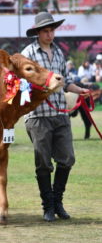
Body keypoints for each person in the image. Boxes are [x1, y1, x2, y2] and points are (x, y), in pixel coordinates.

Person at [21, 12, 90, 222]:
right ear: (38, 32)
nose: (50, 34)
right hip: (38, 116)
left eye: (52, 30)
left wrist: (79, 90)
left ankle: (57, 201)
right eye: (46, 31)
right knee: (43, 163)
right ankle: (48, 206)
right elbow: (19, 83)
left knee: (67, 158)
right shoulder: (28, 54)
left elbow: (65, 80)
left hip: (60, 114)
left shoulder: (59, 53)